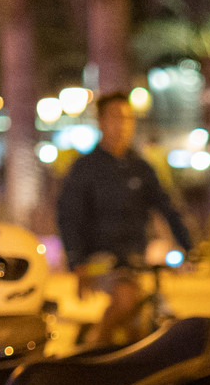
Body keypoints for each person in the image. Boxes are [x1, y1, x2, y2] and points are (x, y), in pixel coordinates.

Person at [57, 92, 194, 347]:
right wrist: (77, 261)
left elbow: (166, 207)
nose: (123, 124)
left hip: (135, 257)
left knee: (141, 324)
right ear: (100, 122)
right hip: (98, 260)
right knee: (126, 299)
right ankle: (93, 346)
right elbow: (69, 216)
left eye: (128, 118)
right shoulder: (85, 168)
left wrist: (189, 246)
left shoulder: (140, 167)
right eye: (116, 117)